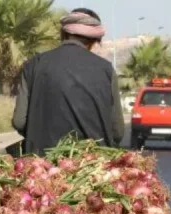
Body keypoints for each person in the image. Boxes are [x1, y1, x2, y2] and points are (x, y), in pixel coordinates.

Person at [12, 8, 125, 156]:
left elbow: (19, 121)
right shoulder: (106, 69)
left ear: (63, 34)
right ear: (94, 41)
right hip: (94, 166)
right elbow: (117, 132)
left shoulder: (33, 65)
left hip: (42, 168)